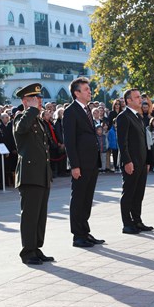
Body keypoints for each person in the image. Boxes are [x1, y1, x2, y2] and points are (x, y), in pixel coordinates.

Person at [13, 83, 54, 265]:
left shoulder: (37, 120)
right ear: (25, 101)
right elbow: (21, 130)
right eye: (35, 99)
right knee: (30, 215)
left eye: (39, 99)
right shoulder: (20, 118)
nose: (39, 102)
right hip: (30, 174)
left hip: (42, 174)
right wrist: (30, 110)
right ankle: (27, 252)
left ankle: (36, 248)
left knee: (40, 215)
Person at [63, 77, 105, 248]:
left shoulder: (87, 109)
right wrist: (75, 165)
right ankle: (77, 236)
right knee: (79, 199)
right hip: (80, 163)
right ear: (76, 92)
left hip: (91, 161)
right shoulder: (71, 111)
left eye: (89, 89)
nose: (90, 91)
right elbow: (70, 141)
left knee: (87, 199)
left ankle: (85, 231)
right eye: (86, 89)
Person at [116, 88, 154, 234]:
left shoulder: (139, 117)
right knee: (129, 193)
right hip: (131, 162)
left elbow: (144, 141)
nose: (141, 100)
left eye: (140, 97)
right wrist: (127, 161)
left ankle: (137, 221)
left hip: (141, 161)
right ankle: (127, 223)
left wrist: (148, 160)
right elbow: (122, 142)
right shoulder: (123, 117)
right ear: (128, 101)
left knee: (139, 193)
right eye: (137, 97)